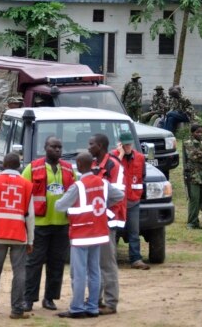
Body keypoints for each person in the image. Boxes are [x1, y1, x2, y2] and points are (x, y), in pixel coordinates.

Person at [54, 152, 125, 319]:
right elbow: (120, 196)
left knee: (78, 273)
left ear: (78, 164)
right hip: (99, 232)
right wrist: (103, 207)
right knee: (95, 271)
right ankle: (93, 306)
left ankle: (77, 308)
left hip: (80, 233)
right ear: (92, 164)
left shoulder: (78, 186)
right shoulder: (103, 183)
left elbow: (59, 206)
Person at [22, 136, 76, 312]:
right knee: (34, 263)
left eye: (60, 147)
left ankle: (50, 298)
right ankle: (28, 299)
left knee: (57, 262)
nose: (57, 150)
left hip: (62, 224)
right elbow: (23, 191)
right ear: (45, 147)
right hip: (39, 224)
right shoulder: (33, 167)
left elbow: (75, 193)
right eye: (53, 147)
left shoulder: (68, 169)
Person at [0, 153, 35, 319]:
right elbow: (30, 215)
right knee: (20, 272)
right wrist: (30, 240)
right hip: (18, 234)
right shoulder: (26, 185)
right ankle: (17, 309)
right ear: (19, 166)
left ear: (3, 165)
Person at [88, 133, 125, 315]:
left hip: (109, 220)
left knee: (107, 262)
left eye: (91, 144)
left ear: (101, 146)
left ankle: (111, 302)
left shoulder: (114, 166)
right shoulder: (94, 165)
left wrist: (104, 214)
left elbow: (118, 196)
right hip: (96, 219)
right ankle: (96, 298)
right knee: (94, 262)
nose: (88, 147)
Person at [111, 132, 149, 269]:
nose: (127, 147)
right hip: (116, 202)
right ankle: (110, 260)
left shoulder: (139, 158)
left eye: (129, 144)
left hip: (133, 200)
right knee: (114, 231)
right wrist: (120, 155)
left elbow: (142, 176)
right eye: (124, 144)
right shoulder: (113, 157)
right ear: (120, 144)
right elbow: (110, 171)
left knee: (134, 231)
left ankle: (135, 259)